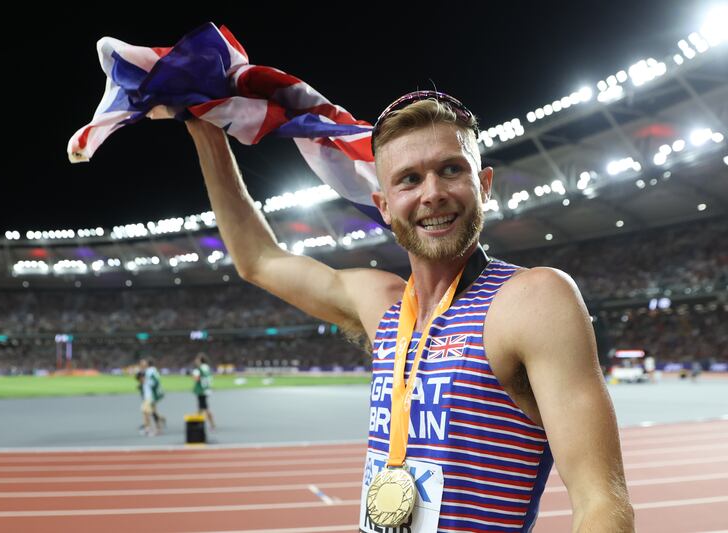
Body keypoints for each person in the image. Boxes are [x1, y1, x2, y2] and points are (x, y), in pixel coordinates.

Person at [183, 90, 633, 531]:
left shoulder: (531, 300)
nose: (432, 193)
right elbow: (258, 259)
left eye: (451, 169)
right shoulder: (382, 305)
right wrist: (203, 124)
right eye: (409, 179)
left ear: (484, 185)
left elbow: (602, 504)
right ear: (384, 206)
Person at [138, 358, 166, 436]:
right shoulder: (149, 371)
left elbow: (155, 382)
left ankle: (149, 428)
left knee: (145, 411)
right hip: (149, 395)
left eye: (143, 363)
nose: (142, 365)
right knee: (151, 412)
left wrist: (146, 381)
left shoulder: (150, 371)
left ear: (147, 364)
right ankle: (158, 425)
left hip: (150, 395)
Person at [192, 352, 216, 429]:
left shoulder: (199, 368)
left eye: (197, 359)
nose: (196, 361)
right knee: (201, 407)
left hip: (201, 390)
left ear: (200, 360)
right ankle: (198, 422)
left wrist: (194, 376)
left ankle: (211, 424)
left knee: (204, 407)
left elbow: (197, 379)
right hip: (207, 389)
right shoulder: (207, 367)